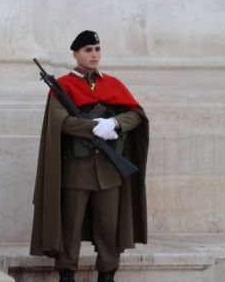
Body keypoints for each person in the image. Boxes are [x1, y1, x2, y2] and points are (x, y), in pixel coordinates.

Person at [30, 30, 150, 282]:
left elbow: (136, 114)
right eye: (88, 50)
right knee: (69, 229)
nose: (94, 54)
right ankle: (66, 275)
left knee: (109, 229)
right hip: (76, 172)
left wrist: (113, 124)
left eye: (97, 49)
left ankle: (107, 275)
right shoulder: (63, 85)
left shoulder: (113, 84)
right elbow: (59, 121)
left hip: (109, 172)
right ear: (75, 54)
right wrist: (92, 127)